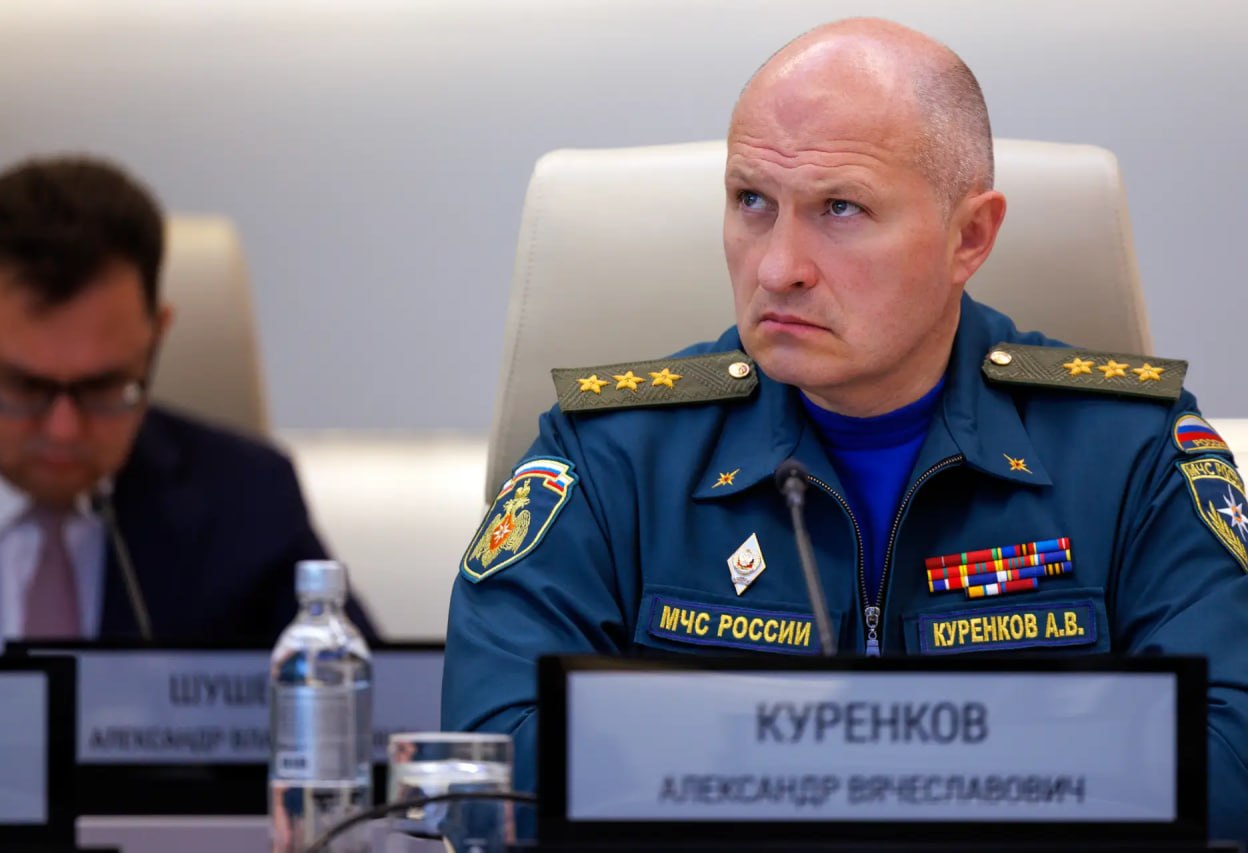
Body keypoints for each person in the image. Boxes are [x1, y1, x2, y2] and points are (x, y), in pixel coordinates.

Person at [442, 17, 1248, 839]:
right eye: (752, 201)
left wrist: (753, 754)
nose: (777, 266)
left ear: (969, 237)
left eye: (840, 207)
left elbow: (1232, 758)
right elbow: (490, 760)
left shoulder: (1131, 453)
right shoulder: (613, 453)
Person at [0, 155, 375, 653]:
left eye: (103, 387)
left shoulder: (247, 501)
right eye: (23, 387)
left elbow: (364, 688)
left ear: (156, 339)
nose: (63, 429)